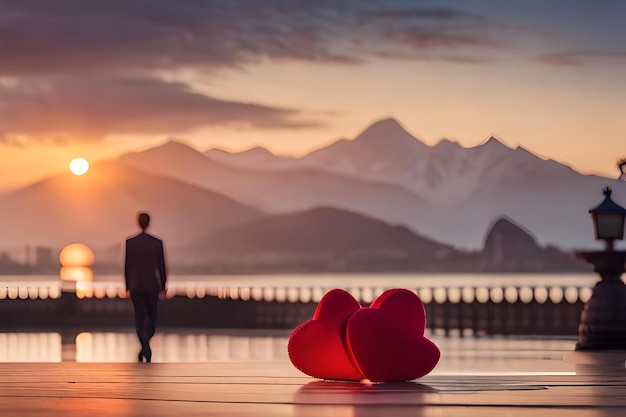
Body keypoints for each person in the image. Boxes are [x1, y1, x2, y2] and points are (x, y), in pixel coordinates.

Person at [124, 212, 167, 363]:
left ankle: (144, 345)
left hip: (136, 285)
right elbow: (161, 267)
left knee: (139, 316)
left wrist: (128, 285)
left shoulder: (131, 242)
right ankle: (146, 344)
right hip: (151, 285)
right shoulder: (157, 242)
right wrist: (163, 285)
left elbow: (127, 266)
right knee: (153, 316)